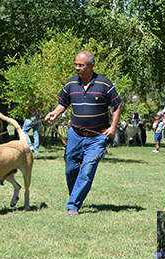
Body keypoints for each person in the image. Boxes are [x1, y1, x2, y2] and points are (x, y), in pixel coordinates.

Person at [43, 50, 123, 215]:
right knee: (70, 170)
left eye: (81, 65)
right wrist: (54, 113)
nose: (77, 68)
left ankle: (73, 205)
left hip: (97, 138)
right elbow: (62, 103)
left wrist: (113, 127)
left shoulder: (105, 84)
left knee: (86, 171)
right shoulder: (70, 84)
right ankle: (76, 194)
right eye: (76, 64)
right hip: (75, 135)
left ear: (91, 66)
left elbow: (117, 105)